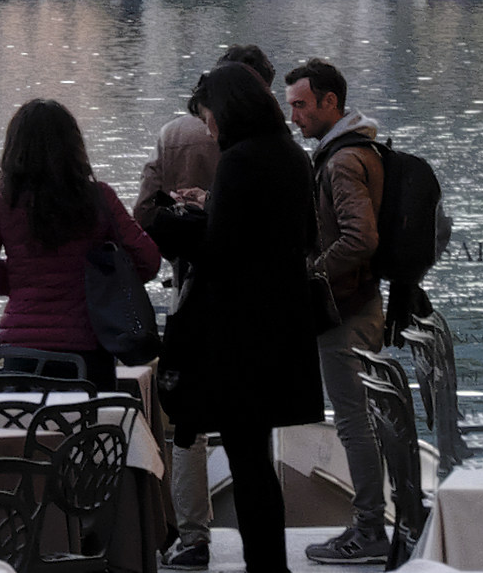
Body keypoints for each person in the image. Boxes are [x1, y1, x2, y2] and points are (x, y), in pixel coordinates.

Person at [148, 64, 324, 573]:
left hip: (241, 334)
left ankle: (265, 566)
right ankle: (270, 564)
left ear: (225, 111)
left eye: (208, 117)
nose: (208, 129)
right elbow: (298, 235)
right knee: (256, 458)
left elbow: (221, 247)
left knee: (248, 464)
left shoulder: (240, 160)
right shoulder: (291, 156)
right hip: (282, 326)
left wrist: (171, 226)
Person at [134, 45, 276, 570]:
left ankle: (193, 536)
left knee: (186, 415)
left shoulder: (175, 135)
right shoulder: (274, 144)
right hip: (257, 298)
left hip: (190, 290)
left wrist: (179, 226)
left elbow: (145, 211)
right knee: (256, 418)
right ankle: (267, 540)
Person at [0, 98, 159, 386]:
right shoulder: (99, 199)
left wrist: (23, 282)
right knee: (89, 428)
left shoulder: (6, 201)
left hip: (22, 348)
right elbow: (148, 259)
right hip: (87, 350)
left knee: (26, 428)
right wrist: (102, 284)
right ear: (74, 147)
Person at [286, 58, 388, 565]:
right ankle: (377, 523)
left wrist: (312, 275)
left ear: (331, 103)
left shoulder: (342, 161)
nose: (295, 118)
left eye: (302, 106)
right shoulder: (358, 149)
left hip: (344, 310)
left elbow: (360, 236)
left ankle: (370, 530)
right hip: (361, 303)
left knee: (353, 423)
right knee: (363, 419)